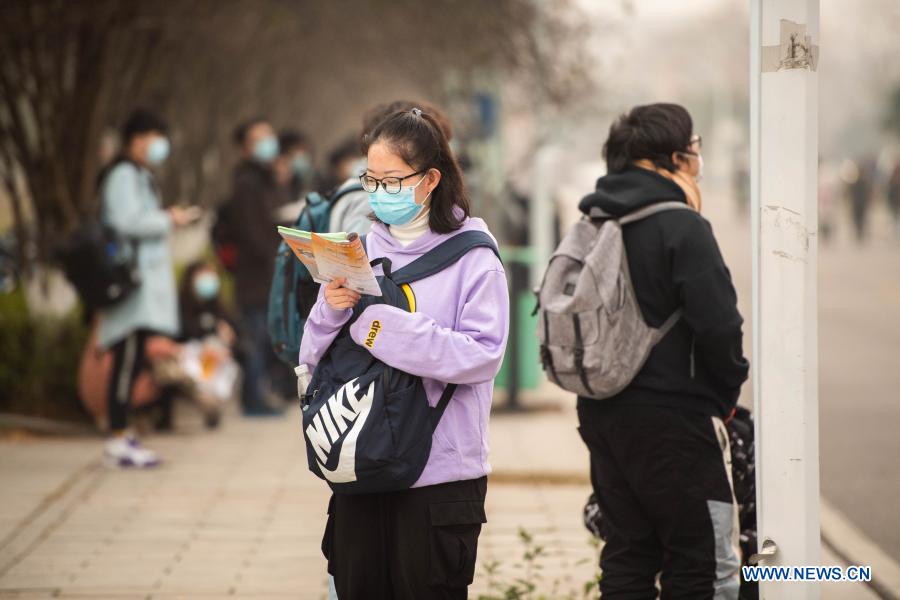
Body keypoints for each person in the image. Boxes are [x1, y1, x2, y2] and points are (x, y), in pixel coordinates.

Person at [299, 106, 509, 600]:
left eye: (392, 181)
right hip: (362, 463)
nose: (378, 192)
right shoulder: (360, 248)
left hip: (438, 477)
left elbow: (482, 355)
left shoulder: (474, 256)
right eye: (370, 179)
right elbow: (312, 356)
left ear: (431, 178)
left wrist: (379, 328)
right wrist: (330, 309)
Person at [576, 103, 750, 598]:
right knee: (700, 565)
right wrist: (723, 397)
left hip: (600, 414)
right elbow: (720, 328)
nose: (697, 160)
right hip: (676, 421)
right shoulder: (681, 225)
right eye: (694, 149)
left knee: (627, 555)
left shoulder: (593, 221)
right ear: (673, 157)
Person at [97, 109, 196, 467]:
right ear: (137, 139)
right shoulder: (123, 174)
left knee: (132, 357)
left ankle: (123, 434)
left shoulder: (137, 174)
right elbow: (127, 221)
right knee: (124, 360)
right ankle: (118, 437)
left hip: (138, 286)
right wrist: (168, 219)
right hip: (129, 285)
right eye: (155, 137)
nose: (159, 146)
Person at [227, 117, 288, 415]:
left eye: (269, 135)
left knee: (264, 336)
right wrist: (277, 255)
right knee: (254, 337)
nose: (268, 142)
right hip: (254, 276)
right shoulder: (246, 183)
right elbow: (253, 232)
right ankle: (253, 400)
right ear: (245, 147)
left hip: (266, 274)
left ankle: (258, 396)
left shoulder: (266, 179)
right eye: (260, 138)